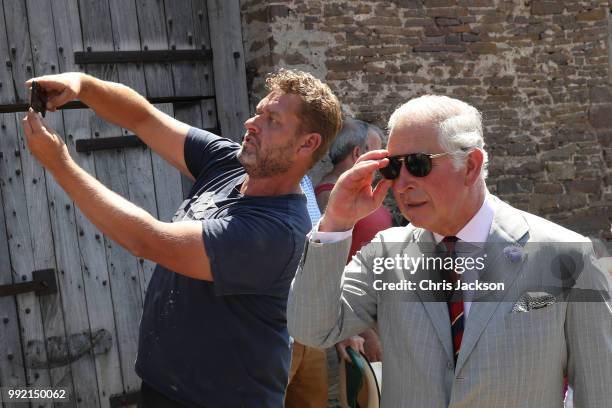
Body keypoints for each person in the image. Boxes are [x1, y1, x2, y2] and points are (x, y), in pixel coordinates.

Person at [21, 69, 342, 407]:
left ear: (308, 144)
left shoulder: (278, 232)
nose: (252, 123)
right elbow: (142, 117)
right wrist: (82, 85)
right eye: (259, 111)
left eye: (272, 120)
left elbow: (149, 240)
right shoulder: (228, 163)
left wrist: (60, 165)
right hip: (164, 388)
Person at [287, 95, 612, 407]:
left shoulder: (569, 256)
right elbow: (312, 330)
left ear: (470, 165)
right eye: (391, 168)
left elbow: (599, 391)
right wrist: (336, 223)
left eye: (416, 164)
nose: (401, 184)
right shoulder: (385, 254)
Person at [316, 119, 390, 364]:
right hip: (364, 318)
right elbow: (333, 267)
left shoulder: (360, 192)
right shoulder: (330, 196)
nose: (383, 162)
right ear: (358, 153)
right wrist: (363, 331)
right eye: (378, 152)